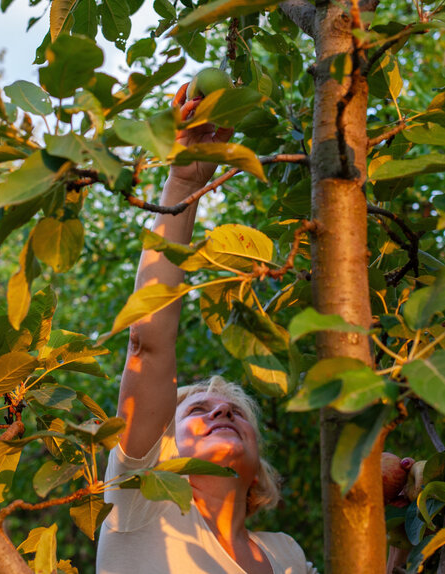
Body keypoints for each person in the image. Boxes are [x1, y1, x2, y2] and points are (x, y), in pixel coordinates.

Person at [95, 91, 318, 574]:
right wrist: (182, 184)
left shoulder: (287, 555)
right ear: (162, 449)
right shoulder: (142, 499)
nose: (221, 409)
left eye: (237, 412)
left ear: (259, 470)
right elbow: (147, 347)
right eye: (198, 410)